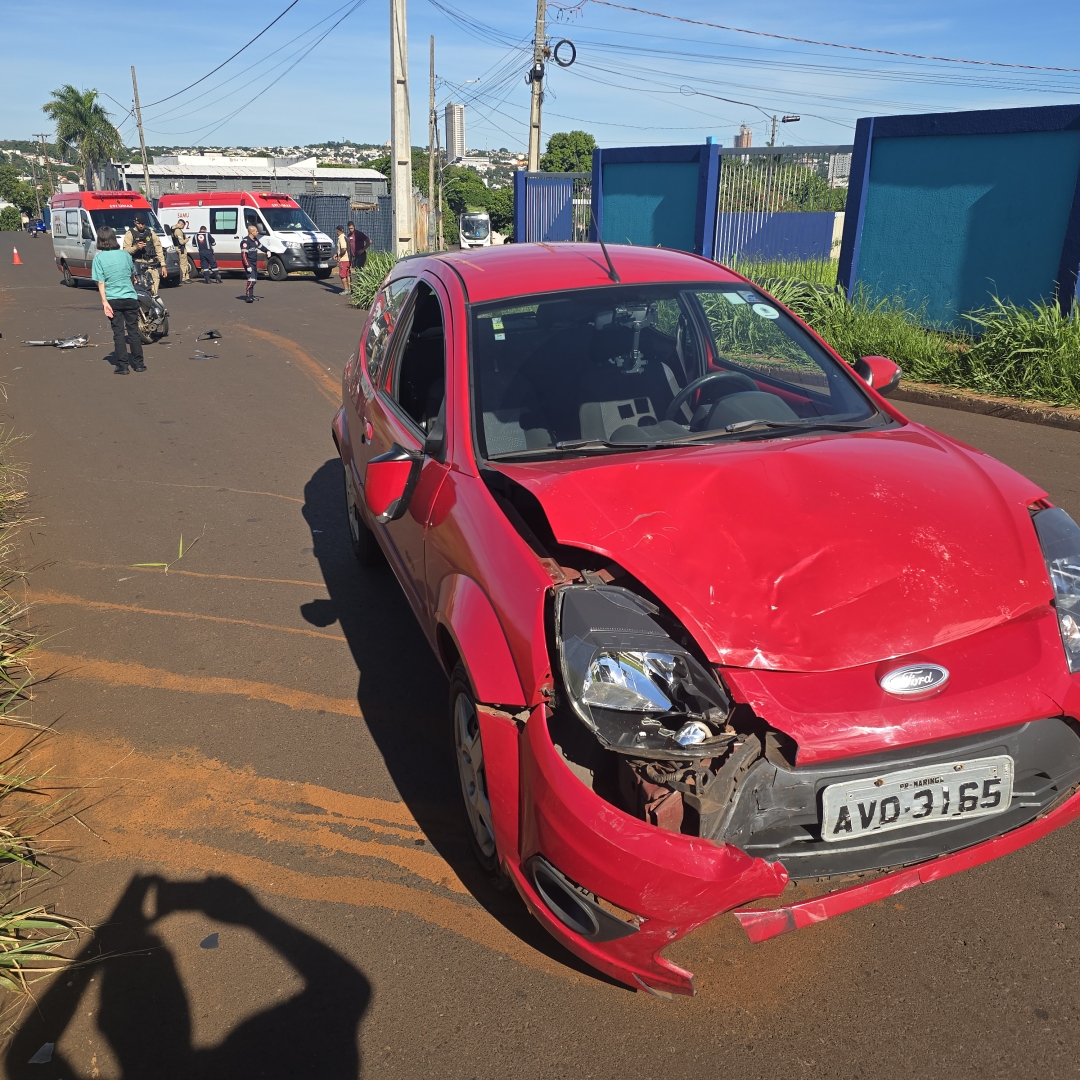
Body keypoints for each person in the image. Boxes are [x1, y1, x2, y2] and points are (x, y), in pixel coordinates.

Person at [91, 226, 145, 375]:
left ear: (100, 241)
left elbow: (100, 282)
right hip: (130, 297)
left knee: (119, 333)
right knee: (133, 331)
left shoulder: (99, 259)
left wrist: (104, 302)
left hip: (113, 299)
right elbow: (132, 276)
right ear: (114, 239)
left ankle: (123, 366)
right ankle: (139, 363)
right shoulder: (125, 255)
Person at [123, 215, 167, 295]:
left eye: (143, 223)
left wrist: (163, 265)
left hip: (151, 264)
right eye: (139, 223)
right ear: (135, 223)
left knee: (154, 292)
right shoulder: (130, 234)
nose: (141, 225)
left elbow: (158, 248)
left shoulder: (150, 232)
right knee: (142, 293)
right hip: (138, 266)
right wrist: (136, 247)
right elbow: (126, 250)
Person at [240, 223, 263, 303]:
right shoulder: (245, 242)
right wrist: (247, 265)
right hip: (248, 263)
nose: (257, 232)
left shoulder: (255, 241)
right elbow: (243, 255)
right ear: (251, 232)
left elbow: (261, 246)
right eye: (256, 231)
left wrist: (268, 251)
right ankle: (248, 296)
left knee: (254, 280)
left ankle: (251, 295)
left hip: (254, 262)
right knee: (251, 280)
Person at [170, 218, 192, 282]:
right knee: (183, 263)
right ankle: (183, 278)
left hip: (176, 247)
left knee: (182, 262)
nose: (183, 227)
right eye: (183, 226)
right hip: (181, 248)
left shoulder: (173, 229)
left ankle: (185, 277)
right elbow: (181, 242)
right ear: (181, 224)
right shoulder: (178, 231)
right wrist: (187, 239)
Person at [335, 226, 350, 295]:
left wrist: (339, 257)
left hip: (343, 260)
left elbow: (344, 249)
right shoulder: (345, 237)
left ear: (338, 231)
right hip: (347, 259)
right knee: (347, 275)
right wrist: (337, 254)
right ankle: (349, 289)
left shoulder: (341, 238)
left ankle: (346, 290)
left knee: (342, 275)